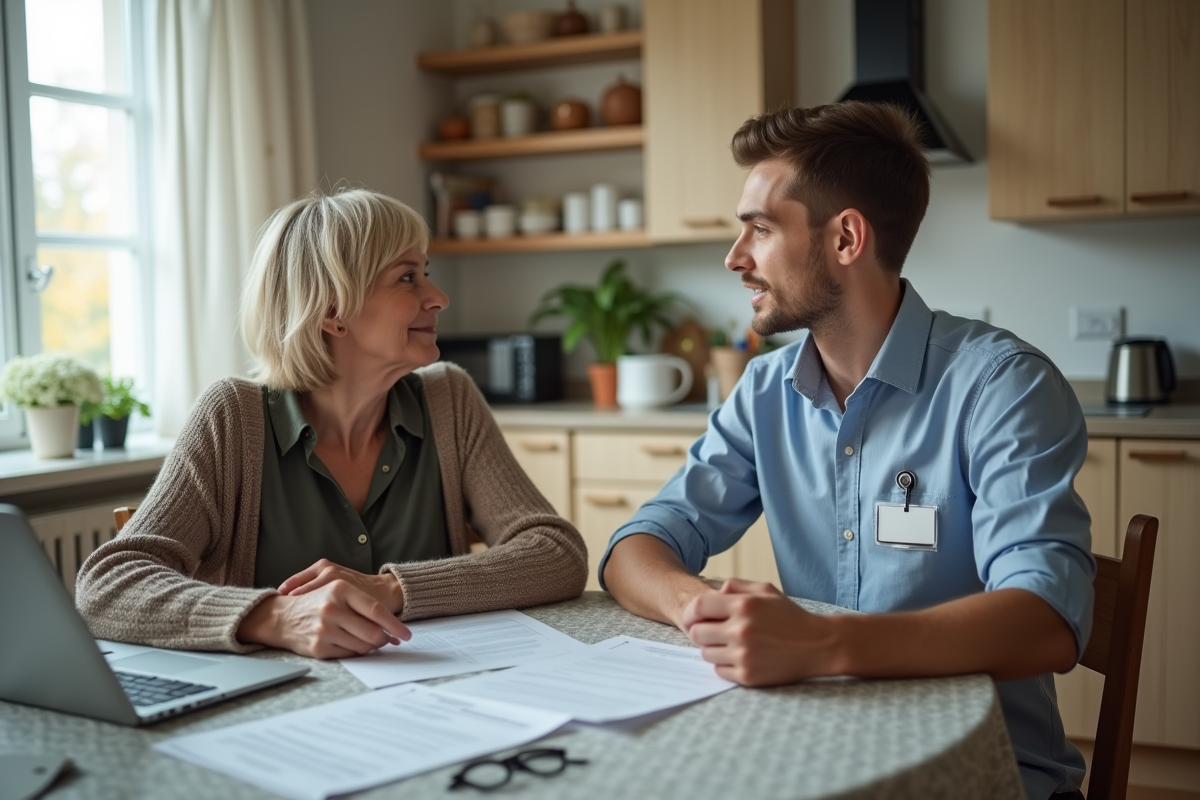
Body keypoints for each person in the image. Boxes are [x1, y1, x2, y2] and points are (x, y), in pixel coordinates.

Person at [600, 103, 1094, 800]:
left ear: (846, 238)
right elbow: (637, 545)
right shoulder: (765, 389)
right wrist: (699, 608)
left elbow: (1046, 619)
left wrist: (822, 644)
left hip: (989, 775)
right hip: (814, 753)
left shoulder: (1002, 386)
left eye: (761, 229)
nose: (735, 258)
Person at [77, 189, 588, 660]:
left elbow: (556, 553)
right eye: (408, 277)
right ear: (332, 309)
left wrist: (391, 589)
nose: (438, 297)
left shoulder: (448, 398)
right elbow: (108, 584)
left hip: (437, 693)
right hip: (277, 709)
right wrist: (273, 616)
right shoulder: (233, 416)